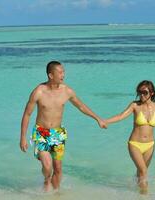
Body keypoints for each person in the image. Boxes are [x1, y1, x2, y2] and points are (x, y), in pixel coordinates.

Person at [19, 61, 107, 192]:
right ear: (50, 75)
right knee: (48, 166)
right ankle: (46, 179)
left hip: (58, 134)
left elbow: (81, 106)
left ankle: (56, 193)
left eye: (63, 72)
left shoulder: (67, 91)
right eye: (60, 72)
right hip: (41, 133)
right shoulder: (39, 92)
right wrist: (23, 138)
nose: (63, 75)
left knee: (58, 169)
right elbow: (27, 114)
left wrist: (97, 118)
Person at [105, 80, 155, 194]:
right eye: (139, 92)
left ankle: (135, 191)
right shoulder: (135, 105)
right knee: (143, 171)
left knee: (141, 172)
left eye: (145, 92)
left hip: (150, 145)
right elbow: (120, 116)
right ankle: (144, 195)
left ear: (152, 93)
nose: (142, 95)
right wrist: (105, 121)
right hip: (135, 144)